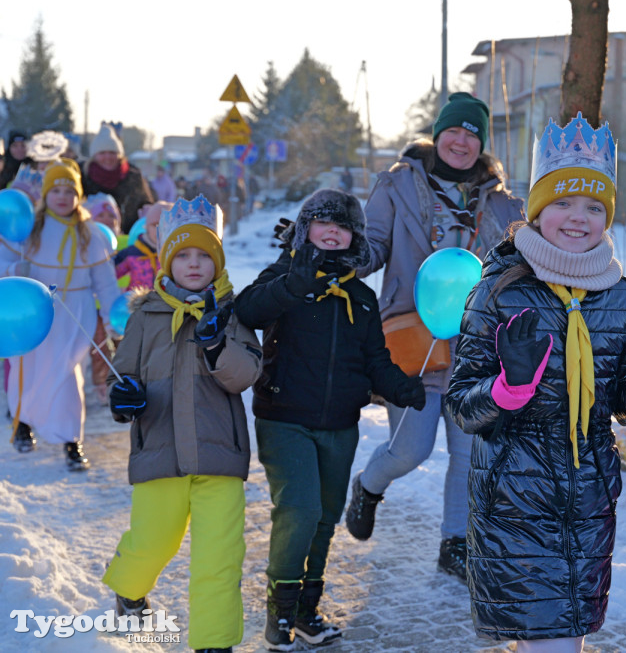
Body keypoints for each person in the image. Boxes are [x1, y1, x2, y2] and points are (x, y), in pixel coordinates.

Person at [444, 114, 626, 651]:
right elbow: (462, 404)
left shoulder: (623, 296)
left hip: (589, 498)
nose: (578, 218)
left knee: (567, 639)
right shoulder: (499, 292)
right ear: (536, 209)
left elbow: (624, 394)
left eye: (594, 207)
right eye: (562, 203)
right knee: (547, 643)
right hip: (515, 496)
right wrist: (507, 389)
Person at [341, 92, 524, 582]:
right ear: (437, 133)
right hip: (412, 338)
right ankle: (369, 486)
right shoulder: (397, 183)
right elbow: (374, 245)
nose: (461, 141)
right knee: (411, 448)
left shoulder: (504, 202)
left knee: (468, 453)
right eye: (453, 131)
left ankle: (455, 543)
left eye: (471, 134)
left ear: (482, 143)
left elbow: (518, 265)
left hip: (477, 343)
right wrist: (343, 256)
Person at [235, 189, 426, 651]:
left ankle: (306, 609)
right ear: (306, 229)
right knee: (299, 510)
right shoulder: (284, 275)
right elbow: (246, 311)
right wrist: (293, 284)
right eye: (324, 222)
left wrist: (398, 384)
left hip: (340, 423)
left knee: (324, 518)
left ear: (354, 238)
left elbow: (374, 359)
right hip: (284, 418)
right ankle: (278, 609)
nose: (334, 231)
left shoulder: (360, 295)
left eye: (344, 226)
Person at [101, 194, 261, 653]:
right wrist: (124, 399)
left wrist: (217, 348)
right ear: (167, 260)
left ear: (217, 262)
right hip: (159, 453)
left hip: (219, 456)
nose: (194, 265)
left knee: (220, 558)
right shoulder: (146, 318)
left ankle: (215, 642)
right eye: (183, 255)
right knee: (152, 543)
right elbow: (124, 377)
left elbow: (246, 375)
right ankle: (129, 589)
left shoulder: (232, 315)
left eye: (203, 256)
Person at [0, 159, 120, 469]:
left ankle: (71, 440)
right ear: (46, 194)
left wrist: (113, 317)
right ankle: (23, 422)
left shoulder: (90, 235)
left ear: (79, 195)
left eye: (70, 190)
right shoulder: (30, 231)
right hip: (32, 312)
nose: (63, 197)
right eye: (56, 190)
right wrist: (15, 270)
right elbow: (3, 266)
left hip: (74, 314)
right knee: (28, 366)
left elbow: (105, 283)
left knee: (67, 375)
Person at [83, 192, 123, 405]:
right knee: (98, 347)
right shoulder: (88, 245)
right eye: (101, 218)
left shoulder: (124, 246)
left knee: (123, 344)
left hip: (119, 308)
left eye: (112, 218)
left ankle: (124, 378)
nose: (107, 222)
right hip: (93, 307)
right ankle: (101, 384)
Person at [82, 123, 155, 231]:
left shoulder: (133, 177)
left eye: (112, 152)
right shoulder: (83, 176)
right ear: (94, 156)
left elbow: (146, 205)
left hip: (127, 239)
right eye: (102, 153)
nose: (108, 157)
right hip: (90, 236)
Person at [115, 200, 172, 290]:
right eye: (155, 225)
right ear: (147, 227)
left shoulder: (175, 255)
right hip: (138, 301)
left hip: (165, 302)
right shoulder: (132, 253)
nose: (160, 231)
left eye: (166, 226)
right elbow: (108, 276)